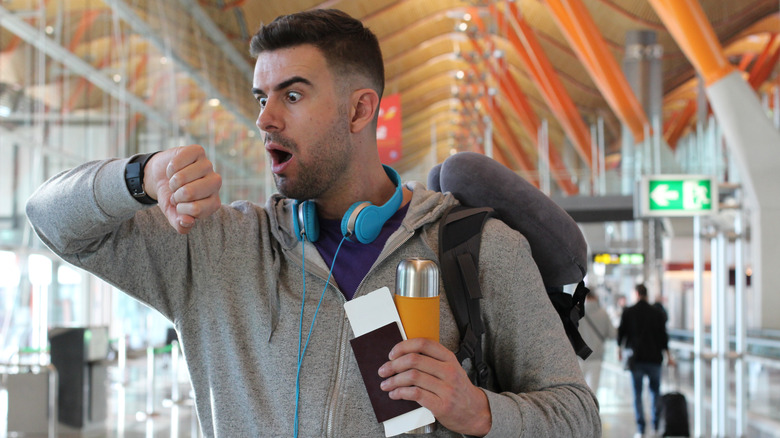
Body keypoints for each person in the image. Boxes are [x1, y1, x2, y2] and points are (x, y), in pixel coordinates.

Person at [26, 9, 600, 437]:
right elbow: (51, 220)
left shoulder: (476, 249)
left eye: (292, 95)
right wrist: (140, 176)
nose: (265, 119)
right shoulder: (215, 248)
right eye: (261, 98)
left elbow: (576, 415)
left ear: (360, 109)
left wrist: (479, 411)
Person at [617, 283, 676, 437]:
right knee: (655, 393)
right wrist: (669, 356)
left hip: (636, 359)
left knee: (637, 394)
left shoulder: (628, 312)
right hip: (655, 359)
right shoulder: (657, 313)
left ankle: (640, 429)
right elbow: (664, 337)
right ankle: (655, 427)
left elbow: (621, 334)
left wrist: (619, 351)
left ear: (636, 294)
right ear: (646, 294)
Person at [578, 290, 616, 392]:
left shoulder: (577, 313)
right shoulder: (603, 314)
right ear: (595, 297)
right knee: (593, 390)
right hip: (596, 358)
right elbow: (613, 334)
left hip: (580, 357)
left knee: (578, 389)